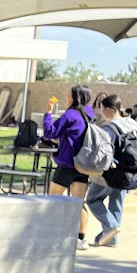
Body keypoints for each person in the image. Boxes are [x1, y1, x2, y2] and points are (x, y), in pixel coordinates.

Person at [86, 95, 137, 248]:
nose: (100, 111)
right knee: (116, 202)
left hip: (110, 173)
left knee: (92, 199)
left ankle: (110, 227)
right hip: (128, 172)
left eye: (102, 108)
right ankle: (111, 239)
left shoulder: (110, 129)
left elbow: (103, 153)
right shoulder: (130, 125)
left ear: (108, 109)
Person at [44, 84, 92, 250]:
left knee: (53, 200)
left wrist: (48, 112)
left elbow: (49, 133)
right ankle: (81, 238)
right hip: (83, 165)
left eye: (68, 95)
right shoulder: (89, 114)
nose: (66, 97)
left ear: (75, 98)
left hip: (67, 164)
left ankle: (51, 233)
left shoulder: (70, 115)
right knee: (79, 203)